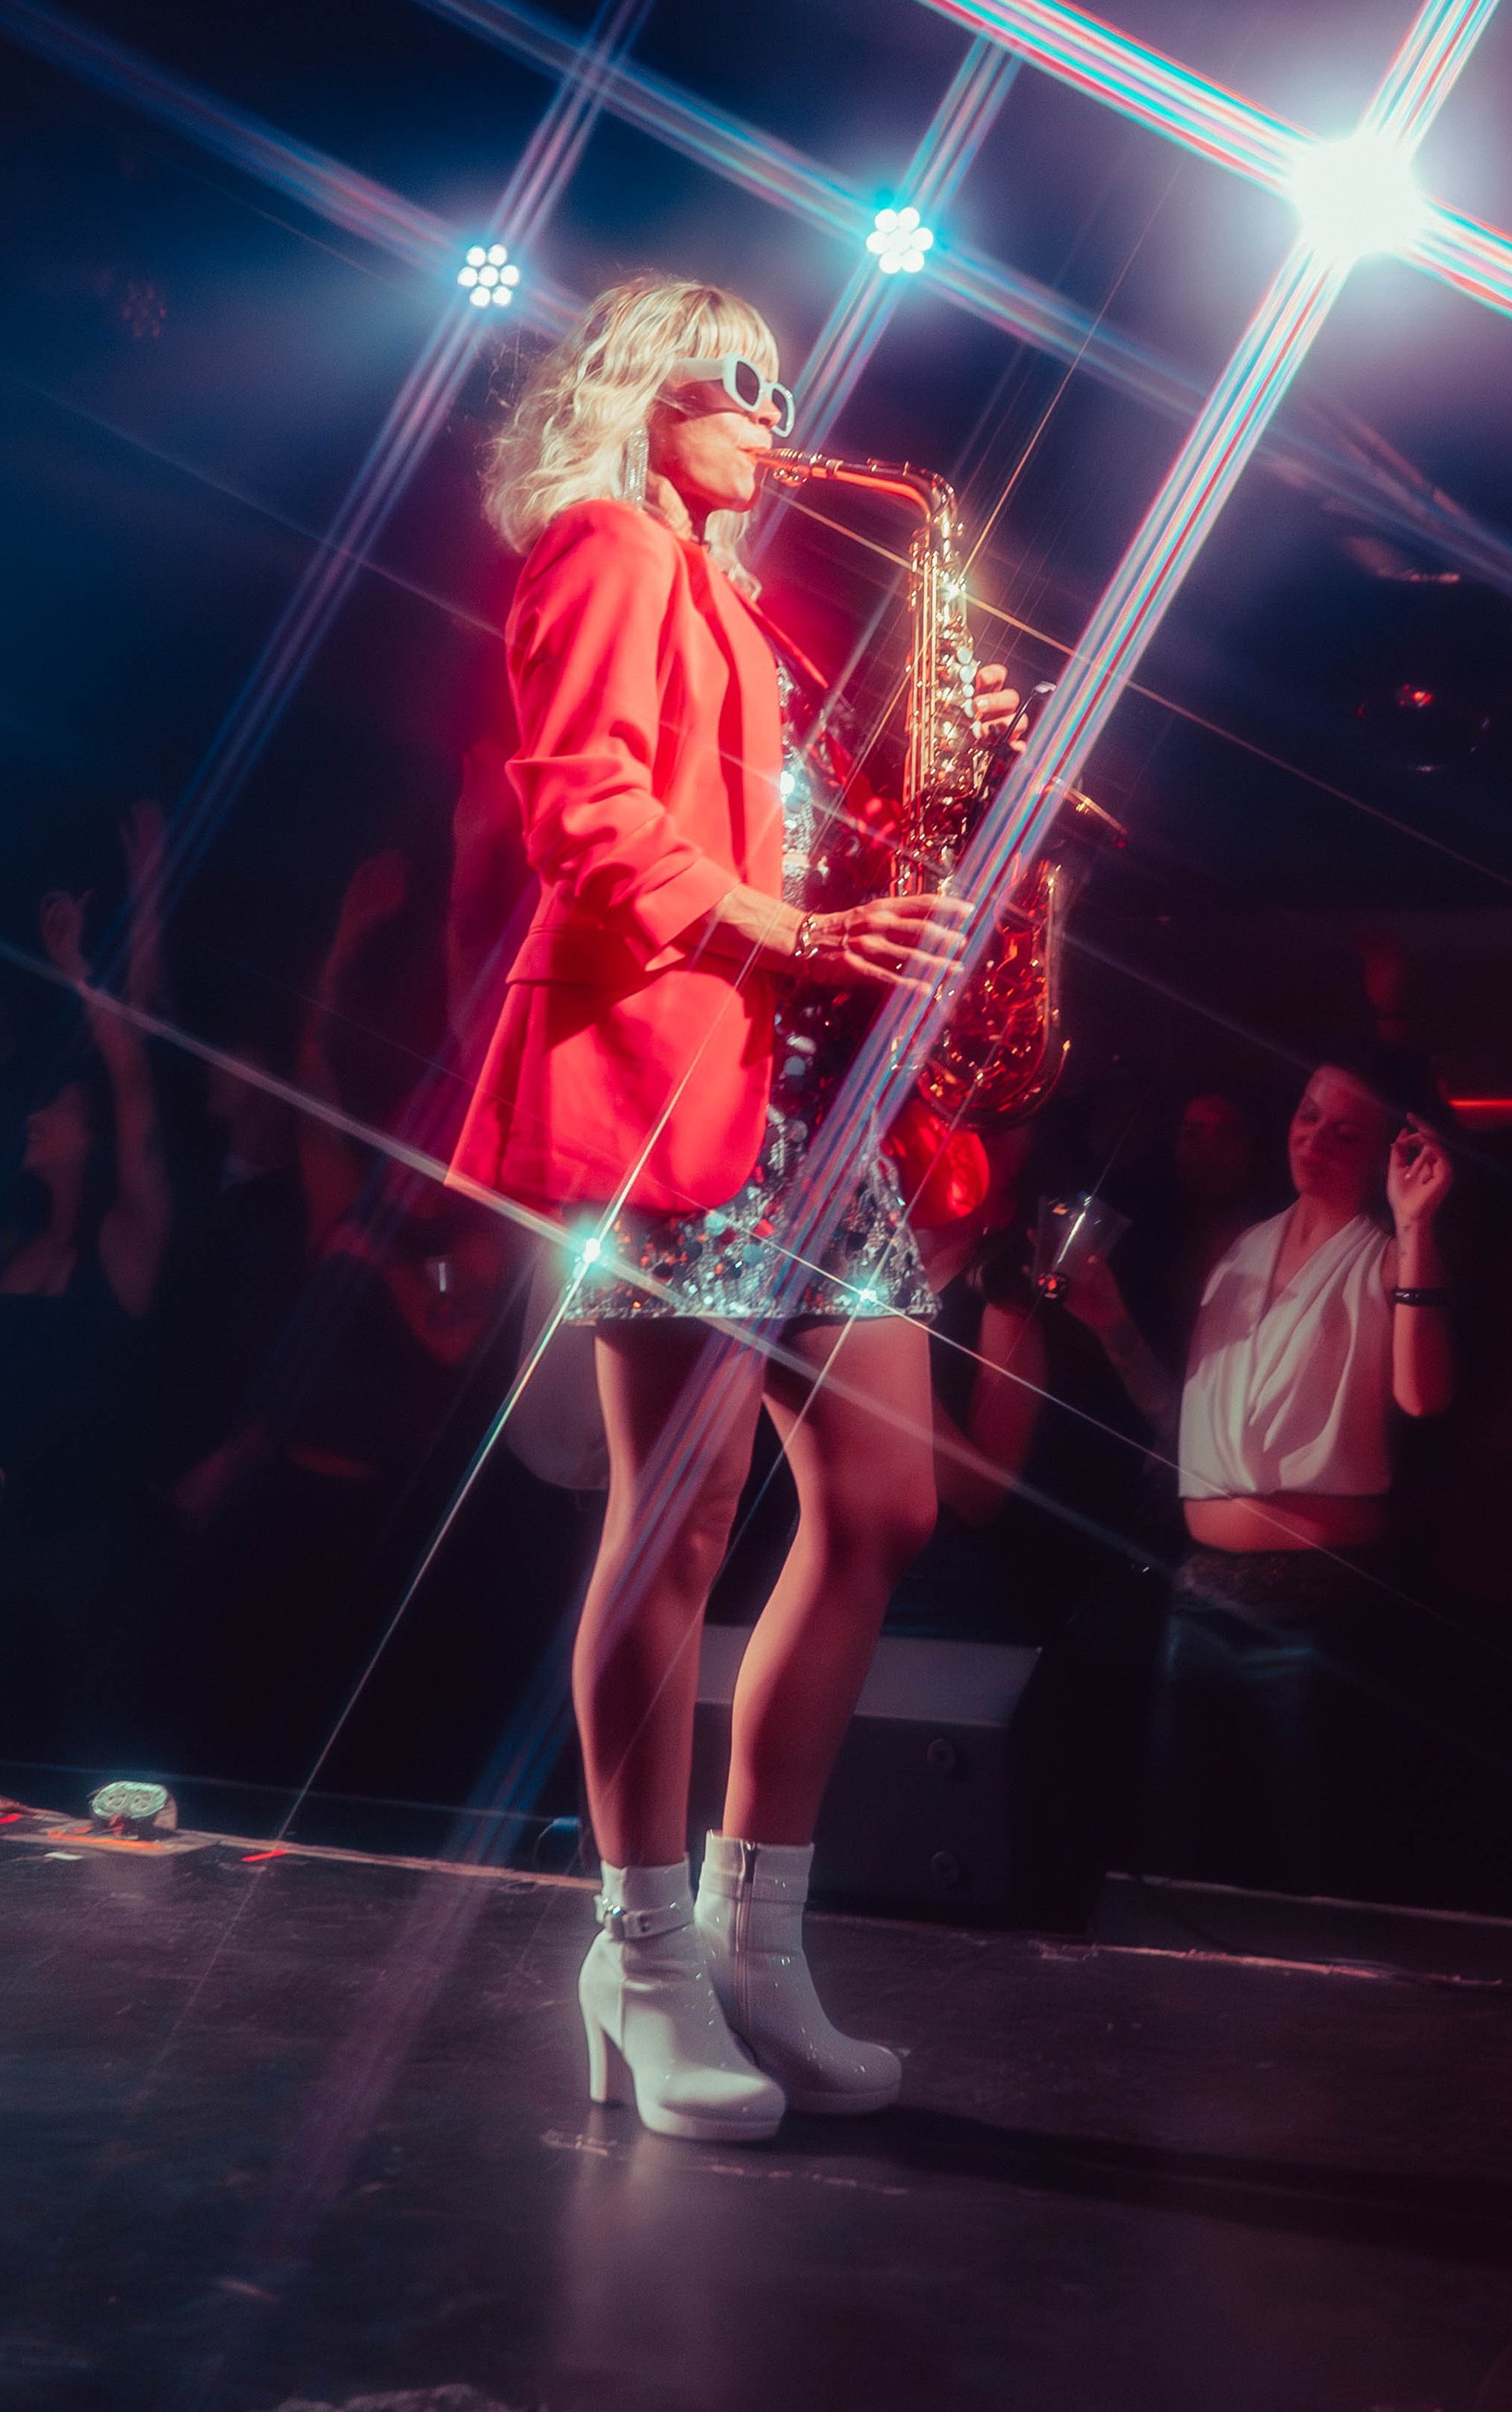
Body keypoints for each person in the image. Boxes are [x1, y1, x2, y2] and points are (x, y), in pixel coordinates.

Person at [452, 273, 1014, 2143]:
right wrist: (792, 923)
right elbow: (581, 814)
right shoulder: (604, 546)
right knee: (678, 1508)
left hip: (797, 1100)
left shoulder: (737, 599)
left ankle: (751, 1935)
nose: (779, 414)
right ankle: (635, 1950)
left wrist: (943, 761)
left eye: (785, 384)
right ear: (640, 393)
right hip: (665, 1088)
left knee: (882, 1499)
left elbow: (757, 820)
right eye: (739, 384)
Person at [1069, 1051, 1454, 1893]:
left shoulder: (1383, 1255)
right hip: (1203, 1589)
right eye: (1309, 1115)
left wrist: (1418, 1225)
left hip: (1318, 1601)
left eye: (1346, 1131)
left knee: (1309, 1846)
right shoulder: (1243, 1250)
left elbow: (1423, 1399)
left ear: (1392, 1149)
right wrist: (1110, 1325)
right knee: (1181, 1844)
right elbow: (1189, 1423)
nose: (1315, 1139)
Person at [0, 823, 172, 1758]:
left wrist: (74, 968)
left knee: (76, 1742)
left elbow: (135, 1080)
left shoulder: (125, 1241)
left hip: (81, 1543)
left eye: (55, 1109)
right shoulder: (13, 1248)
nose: (34, 1116)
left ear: (94, 1136)